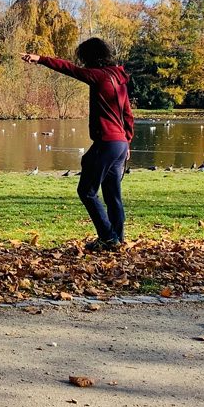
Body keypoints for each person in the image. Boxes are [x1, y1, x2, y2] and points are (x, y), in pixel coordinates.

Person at [21, 38, 134, 251]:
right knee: (112, 195)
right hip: (119, 144)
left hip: (107, 142)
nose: (82, 62)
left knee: (87, 191)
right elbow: (128, 114)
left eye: (83, 57)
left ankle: (108, 237)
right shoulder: (119, 78)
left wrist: (40, 59)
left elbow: (69, 69)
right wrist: (127, 142)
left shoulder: (98, 76)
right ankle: (117, 239)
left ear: (90, 57)